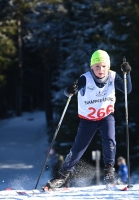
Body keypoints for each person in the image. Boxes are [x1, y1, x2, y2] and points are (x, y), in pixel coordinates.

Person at [43, 49, 132, 190]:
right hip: (88, 119)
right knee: (78, 149)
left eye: (103, 66)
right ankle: (61, 176)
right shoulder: (86, 78)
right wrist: (70, 90)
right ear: (91, 68)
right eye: (97, 66)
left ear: (108, 67)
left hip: (106, 116)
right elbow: (68, 92)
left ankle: (109, 172)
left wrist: (127, 74)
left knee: (110, 140)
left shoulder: (113, 77)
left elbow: (127, 90)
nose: (100, 69)